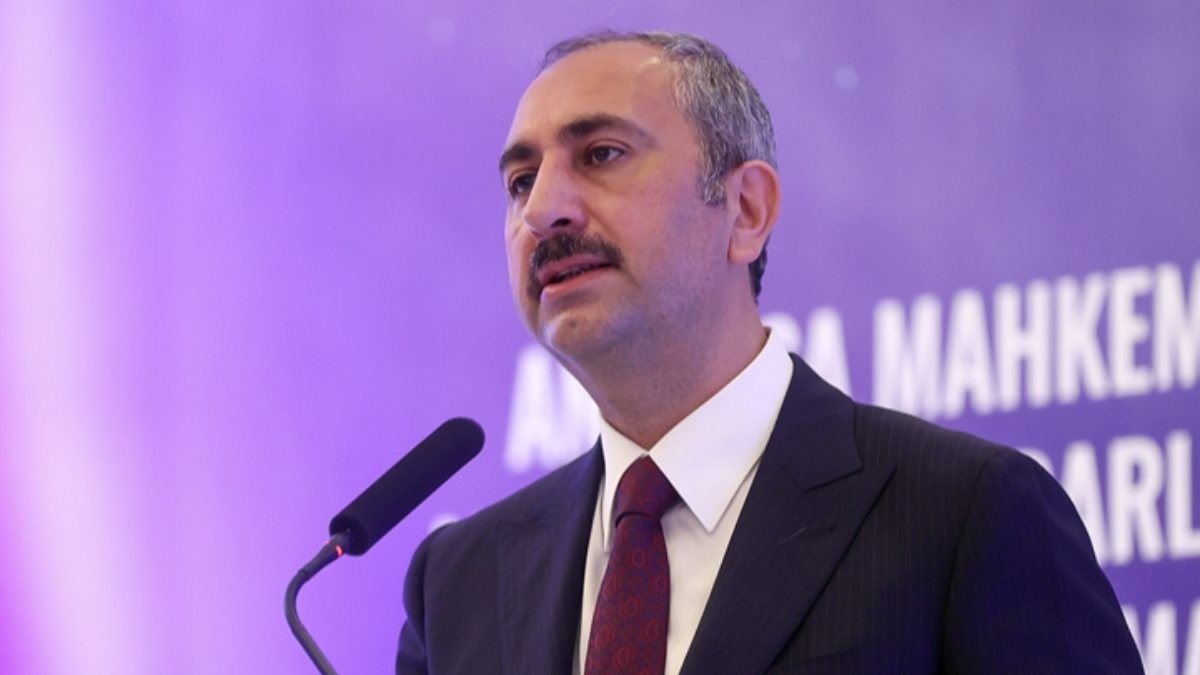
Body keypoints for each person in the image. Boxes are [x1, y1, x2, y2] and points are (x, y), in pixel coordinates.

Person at [396, 31, 1143, 674]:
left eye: (602, 154)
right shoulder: (459, 581)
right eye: (521, 181)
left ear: (746, 210)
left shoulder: (965, 511)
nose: (542, 210)